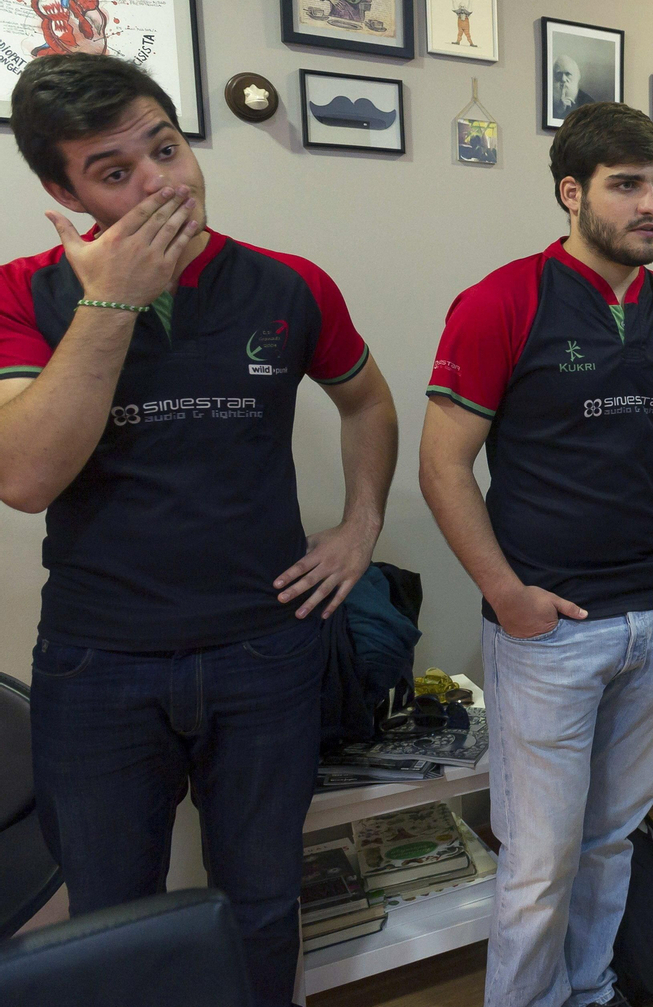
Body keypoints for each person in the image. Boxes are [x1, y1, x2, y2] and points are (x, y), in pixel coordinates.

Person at [0, 54, 398, 1007]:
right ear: (63, 191)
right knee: (111, 917)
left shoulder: (290, 285)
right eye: (115, 172)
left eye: (167, 149)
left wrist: (359, 528)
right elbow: (24, 475)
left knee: (261, 901)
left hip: (264, 652)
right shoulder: (25, 293)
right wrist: (113, 298)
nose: (160, 185)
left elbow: (368, 401)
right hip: (100, 665)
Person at [419, 101, 653, 1007]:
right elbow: (442, 466)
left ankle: (588, 994)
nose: (651, 203)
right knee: (540, 862)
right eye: (628, 185)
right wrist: (507, 595)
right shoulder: (502, 300)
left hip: (651, 619)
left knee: (612, 840)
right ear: (572, 193)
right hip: (550, 629)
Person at [552, 54, 596, 120]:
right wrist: (559, 110)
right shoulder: (548, 99)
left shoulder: (589, 103)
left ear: (577, 76)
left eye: (568, 74)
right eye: (559, 74)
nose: (563, 79)